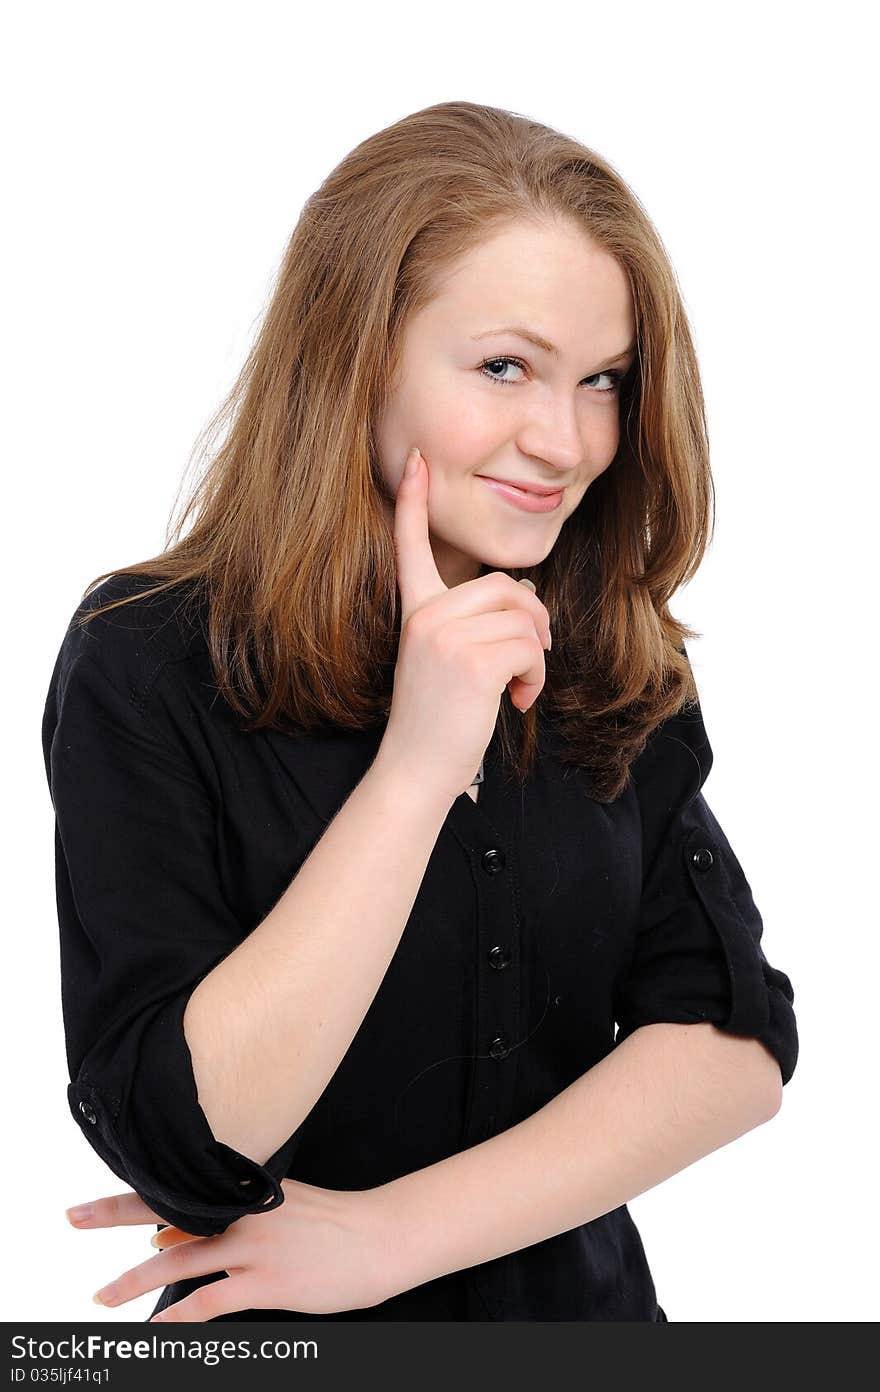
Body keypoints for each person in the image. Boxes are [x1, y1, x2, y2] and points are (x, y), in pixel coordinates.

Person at [42, 100, 798, 1323]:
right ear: (357, 353)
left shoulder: (607, 643)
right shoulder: (151, 657)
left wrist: (393, 1239)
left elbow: (732, 1044)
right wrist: (416, 766)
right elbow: (189, 1138)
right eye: (504, 366)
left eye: (600, 380)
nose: (563, 440)